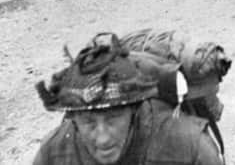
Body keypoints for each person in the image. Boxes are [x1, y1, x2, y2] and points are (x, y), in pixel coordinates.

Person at [33, 33, 223, 165]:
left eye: (113, 118)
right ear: (73, 120)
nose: (103, 138)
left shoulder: (190, 147)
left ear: (134, 111)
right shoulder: (54, 152)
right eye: (88, 122)